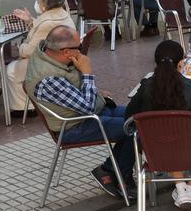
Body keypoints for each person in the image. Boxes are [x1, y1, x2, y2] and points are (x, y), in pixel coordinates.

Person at [26, 26, 135, 198]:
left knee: (138, 115)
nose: (82, 50)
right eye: (80, 46)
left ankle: (112, 169)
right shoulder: (48, 78)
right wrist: (87, 73)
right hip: (73, 126)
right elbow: (88, 107)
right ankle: (116, 175)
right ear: (66, 51)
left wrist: (96, 91)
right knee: (133, 129)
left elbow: (77, 93)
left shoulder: (47, 52)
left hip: (87, 113)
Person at [121, 39, 191, 208]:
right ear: (181, 62)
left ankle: (181, 188)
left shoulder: (145, 87)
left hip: (155, 154)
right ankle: (189, 189)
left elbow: (129, 117)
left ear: (156, 62)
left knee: (165, 140)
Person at [7, 0, 76, 116]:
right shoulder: (61, 14)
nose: (37, 4)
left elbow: (28, 51)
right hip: (64, 59)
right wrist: (30, 21)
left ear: (44, 5)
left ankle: (24, 108)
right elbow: (43, 30)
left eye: (38, 1)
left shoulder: (48, 22)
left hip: (51, 64)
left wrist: (19, 48)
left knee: (11, 69)